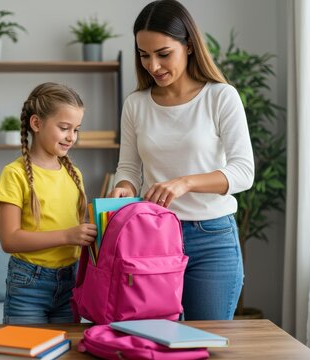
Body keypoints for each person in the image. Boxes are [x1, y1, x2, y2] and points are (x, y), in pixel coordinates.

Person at [110, 0, 254, 320]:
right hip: (153, 237)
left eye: (163, 54)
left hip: (212, 239)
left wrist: (186, 182)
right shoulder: (136, 104)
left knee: (208, 341)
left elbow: (243, 172)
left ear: (188, 46)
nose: (153, 65)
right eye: (144, 55)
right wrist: (123, 185)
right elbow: (129, 168)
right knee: (154, 341)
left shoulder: (220, 97)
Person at [0, 82, 97, 324]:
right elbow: (9, 240)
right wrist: (68, 236)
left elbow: (78, 230)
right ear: (36, 124)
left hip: (70, 281)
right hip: (29, 283)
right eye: (64, 128)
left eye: (77, 129)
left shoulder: (74, 174)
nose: (71, 137)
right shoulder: (14, 174)